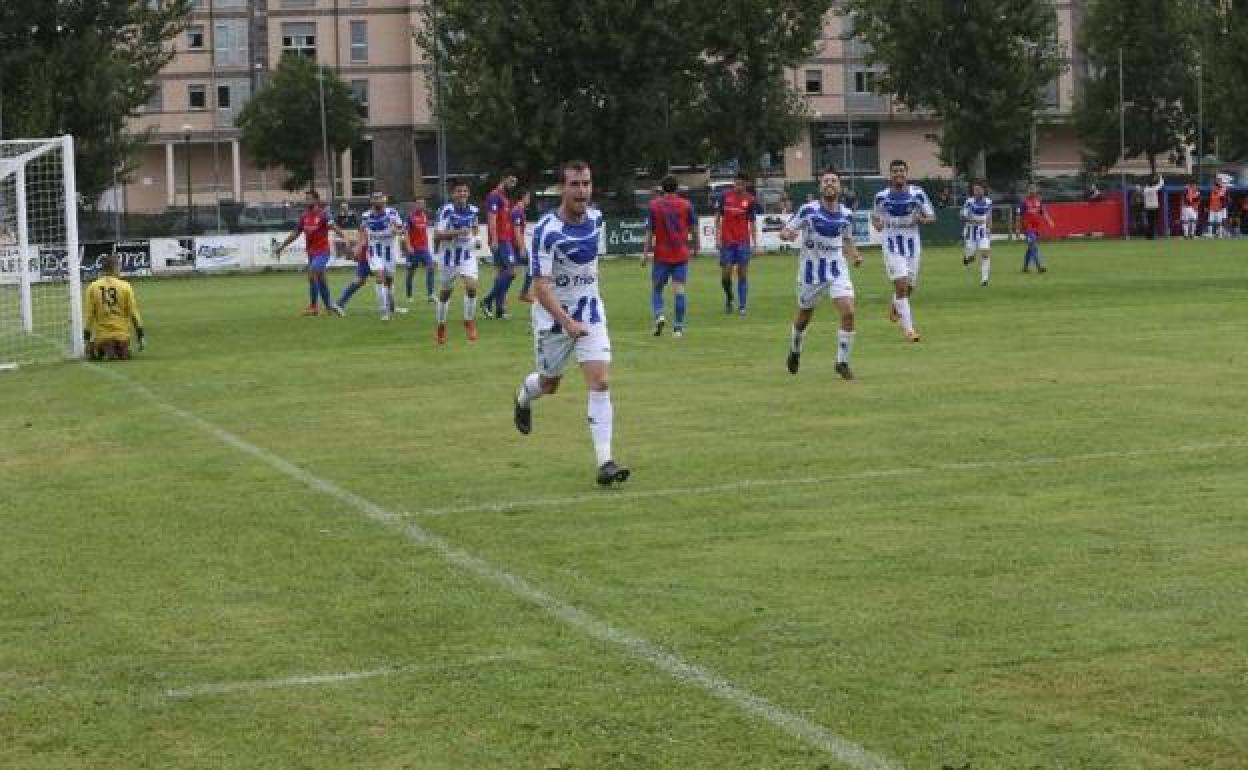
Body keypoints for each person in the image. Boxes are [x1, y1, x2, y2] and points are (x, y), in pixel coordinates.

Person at [511, 160, 629, 487]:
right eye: (575, 184)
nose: (582, 191)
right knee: (550, 384)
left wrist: (589, 289)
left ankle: (605, 461)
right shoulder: (547, 231)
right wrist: (567, 322)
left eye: (587, 183)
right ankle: (523, 396)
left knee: (601, 381)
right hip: (553, 317)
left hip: (590, 310)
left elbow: (591, 262)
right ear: (562, 188)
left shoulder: (596, 217)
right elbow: (540, 287)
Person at [779, 168, 861, 380]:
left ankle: (842, 361)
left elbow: (847, 240)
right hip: (811, 273)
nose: (830, 184)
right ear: (820, 186)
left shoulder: (846, 214)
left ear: (840, 187)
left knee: (849, 311)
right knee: (804, 317)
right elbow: (787, 230)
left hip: (837, 269)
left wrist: (855, 256)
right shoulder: (808, 210)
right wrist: (788, 234)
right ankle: (795, 350)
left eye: (834, 180)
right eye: (826, 181)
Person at [871, 159, 935, 343]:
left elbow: (931, 216)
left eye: (901, 170)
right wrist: (878, 224)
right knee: (901, 284)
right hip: (892, 246)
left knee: (909, 287)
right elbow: (875, 217)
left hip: (913, 246)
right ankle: (909, 330)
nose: (898, 174)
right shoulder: (881, 196)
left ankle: (895, 304)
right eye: (895, 171)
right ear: (890, 175)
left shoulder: (918, 193)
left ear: (907, 173)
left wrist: (922, 220)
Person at [641, 175, 697, 337]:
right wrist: (695, 246)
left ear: (662, 188)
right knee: (679, 290)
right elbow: (693, 228)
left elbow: (649, 231)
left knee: (657, 289)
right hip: (680, 253)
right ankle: (678, 328)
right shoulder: (686, 205)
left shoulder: (654, 205)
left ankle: (659, 315)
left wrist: (645, 254)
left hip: (662, 255)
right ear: (677, 188)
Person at [276, 189, 346, 316]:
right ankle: (329, 307)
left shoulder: (324, 215)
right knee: (322, 280)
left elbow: (333, 227)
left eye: (309, 198)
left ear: (316, 200)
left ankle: (314, 306)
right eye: (306, 198)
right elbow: (295, 233)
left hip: (323, 252)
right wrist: (282, 246)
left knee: (312, 273)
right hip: (311, 253)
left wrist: (344, 237)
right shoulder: (304, 216)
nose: (306, 201)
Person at [432, 181, 481, 344]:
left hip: (466, 256)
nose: (462, 194)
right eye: (459, 191)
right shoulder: (446, 210)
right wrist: (458, 232)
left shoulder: (473, 210)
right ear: (453, 194)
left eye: (465, 191)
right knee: (445, 293)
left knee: (472, 287)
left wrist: (477, 238)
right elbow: (438, 235)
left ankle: (469, 321)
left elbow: (475, 226)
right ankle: (441, 326)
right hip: (448, 258)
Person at [713, 171, 761, 316]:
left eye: (741, 184)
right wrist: (717, 237)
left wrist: (756, 243)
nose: (738, 186)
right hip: (727, 241)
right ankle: (729, 297)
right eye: (736, 183)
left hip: (743, 242)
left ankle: (742, 306)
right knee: (725, 275)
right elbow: (717, 218)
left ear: (746, 184)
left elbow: (752, 223)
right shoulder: (724, 196)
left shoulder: (750, 200)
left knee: (742, 274)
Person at [84, 254, 145, 360]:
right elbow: (133, 313)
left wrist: (86, 339)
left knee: (102, 345)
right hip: (122, 335)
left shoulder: (93, 287)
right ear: (116, 268)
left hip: (102, 335)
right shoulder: (126, 286)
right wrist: (140, 335)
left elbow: (90, 315)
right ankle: (120, 351)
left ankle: (100, 349)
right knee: (123, 350)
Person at [358, 191, 405, 320]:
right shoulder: (366, 215)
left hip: (390, 252)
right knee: (379, 277)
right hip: (374, 252)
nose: (378, 200)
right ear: (371, 200)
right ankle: (383, 310)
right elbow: (362, 231)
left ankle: (392, 306)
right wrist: (359, 246)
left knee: (389, 280)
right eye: (375, 198)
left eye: (380, 197)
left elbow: (401, 229)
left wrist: (397, 231)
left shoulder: (392, 213)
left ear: (385, 199)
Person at [481, 172, 519, 319]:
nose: (513, 184)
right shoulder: (494, 196)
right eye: (511, 180)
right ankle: (487, 300)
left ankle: (499, 310)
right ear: (503, 179)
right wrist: (494, 239)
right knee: (511, 272)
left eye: (515, 182)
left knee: (502, 273)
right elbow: (492, 219)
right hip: (501, 240)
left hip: (506, 239)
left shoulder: (503, 197)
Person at [402, 196, 436, 303]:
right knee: (411, 273)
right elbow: (406, 232)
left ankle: (430, 295)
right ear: (415, 205)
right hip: (413, 250)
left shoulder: (424, 216)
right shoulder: (410, 217)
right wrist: (408, 246)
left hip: (424, 249)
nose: (422, 205)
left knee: (431, 267)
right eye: (419, 203)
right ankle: (409, 295)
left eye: (423, 203)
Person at [960, 180, 993, 287]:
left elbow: (989, 216)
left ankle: (984, 280)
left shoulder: (988, 202)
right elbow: (962, 217)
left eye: (978, 189)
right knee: (972, 256)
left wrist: (989, 229)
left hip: (983, 233)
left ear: (984, 190)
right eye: (974, 190)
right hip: (971, 233)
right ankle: (967, 258)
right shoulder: (969, 202)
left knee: (985, 254)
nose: (976, 192)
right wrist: (974, 221)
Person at [1018, 183, 1055, 274]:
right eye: (1030, 189)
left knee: (1030, 248)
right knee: (1034, 246)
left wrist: (1049, 221)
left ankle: (1025, 268)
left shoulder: (1038, 201)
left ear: (1036, 190)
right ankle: (1039, 266)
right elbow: (1019, 217)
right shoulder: (1024, 202)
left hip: (1036, 228)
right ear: (1028, 191)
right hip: (1028, 228)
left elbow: (1043, 212)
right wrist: (1018, 229)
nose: (1032, 191)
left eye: (1033, 189)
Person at [1142, 174, 1164, 239]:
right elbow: (1160, 185)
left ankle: (1149, 235)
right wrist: (1161, 177)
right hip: (1154, 207)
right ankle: (1150, 236)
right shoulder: (1153, 189)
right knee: (1153, 222)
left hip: (1148, 207)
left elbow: (1157, 185)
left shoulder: (1145, 189)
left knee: (1150, 222)